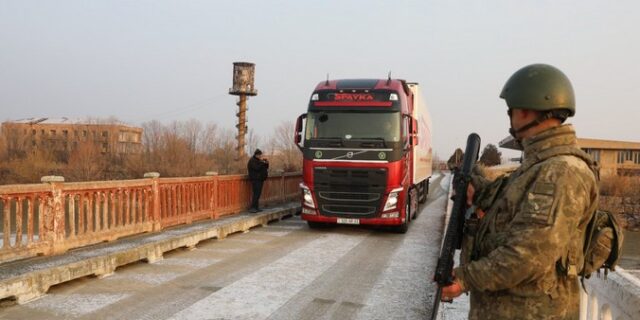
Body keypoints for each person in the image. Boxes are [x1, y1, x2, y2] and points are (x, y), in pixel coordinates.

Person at [441, 64, 599, 319]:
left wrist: (463, 279)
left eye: (511, 110)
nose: (511, 117)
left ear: (526, 110)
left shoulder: (561, 172)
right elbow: (507, 209)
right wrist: (477, 189)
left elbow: (528, 255)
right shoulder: (536, 166)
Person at [247, 148, 269, 213]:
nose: (260, 156)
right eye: (259, 155)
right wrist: (262, 163)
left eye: (260, 155)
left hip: (260, 179)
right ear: (256, 155)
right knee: (256, 194)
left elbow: (266, 167)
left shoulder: (258, 161)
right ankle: (252, 207)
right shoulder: (252, 161)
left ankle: (256, 207)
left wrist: (266, 163)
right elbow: (256, 168)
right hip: (255, 179)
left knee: (258, 194)